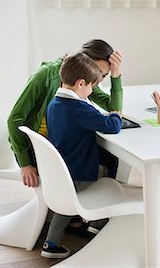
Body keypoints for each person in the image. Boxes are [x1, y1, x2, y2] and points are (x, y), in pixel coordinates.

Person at [7, 39, 123, 237]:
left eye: (103, 76)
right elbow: (14, 119)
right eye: (100, 74)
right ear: (85, 62)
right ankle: (82, 210)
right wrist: (25, 163)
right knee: (105, 159)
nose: (98, 82)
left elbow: (112, 105)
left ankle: (80, 212)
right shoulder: (47, 75)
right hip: (40, 151)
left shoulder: (81, 79)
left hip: (58, 147)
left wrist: (116, 76)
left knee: (107, 156)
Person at [41, 52, 123, 259]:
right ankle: (98, 222)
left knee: (65, 203)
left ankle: (51, 244)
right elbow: (111, 126)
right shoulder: (78, 108)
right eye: (92, 86)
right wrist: (116, 114)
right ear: (80, 84)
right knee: (108, 170)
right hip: (78, 173)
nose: (92, 91)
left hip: (62, 173)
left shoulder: (54, 104)